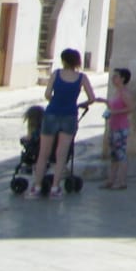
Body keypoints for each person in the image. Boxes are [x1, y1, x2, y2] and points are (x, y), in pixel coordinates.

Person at [25, 48, 95, 199]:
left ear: (63, 60)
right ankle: (55, 188)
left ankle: (36, 187)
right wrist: (78, 104)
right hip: (70, 115)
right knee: (61, 154)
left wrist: (56, 102)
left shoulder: (56, 74)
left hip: (52, 114)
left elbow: (47, 94)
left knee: (43, 153)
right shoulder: (82, 77)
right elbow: (92, 98)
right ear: (77, 61)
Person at [103, 67, 133, 189]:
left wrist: (114, 112)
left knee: (121, 154)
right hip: (113, 126)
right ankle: (111, 180)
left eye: (116, 76)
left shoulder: (125, 93)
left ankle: (122, 182)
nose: (113, 78)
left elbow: (131, 108)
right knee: (114, 155)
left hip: (121, 127)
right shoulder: (116, 92)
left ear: (122, 79)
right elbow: (112, 105)